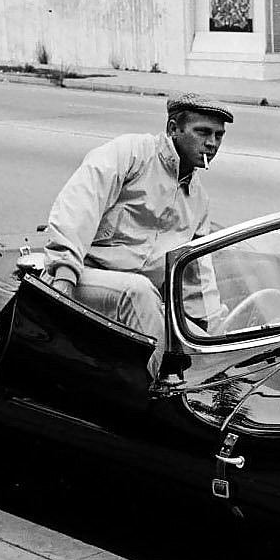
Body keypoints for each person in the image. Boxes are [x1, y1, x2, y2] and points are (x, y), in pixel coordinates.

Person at [42, 92, 233, 373]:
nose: (212, 143)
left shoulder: (198, 199)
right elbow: (78, 209)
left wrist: (209, 332)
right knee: (138, 291)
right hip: (80, 280)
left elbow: (196, 275)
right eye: (202, 132)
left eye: (219, 135)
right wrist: (63, 282)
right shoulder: (130, 153)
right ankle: (156, 400)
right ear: (173, 129)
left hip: (140, 302)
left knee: (209, 349)